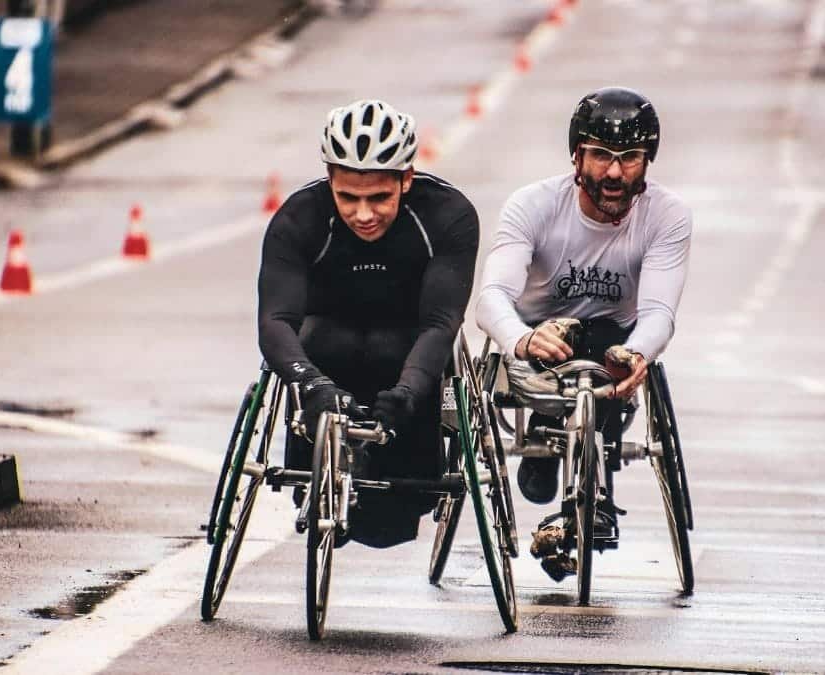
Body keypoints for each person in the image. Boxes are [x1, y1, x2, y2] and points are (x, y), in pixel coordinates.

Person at [475, 86, 692, 579]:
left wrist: (637, 354)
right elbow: (490, 299)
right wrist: (522, 340)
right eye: (600, 156)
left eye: (629, 158)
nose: (614, 173)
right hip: (535, 338)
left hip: (610, 340)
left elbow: (659, 311)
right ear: (577, 155)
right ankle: (546, 441)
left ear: (646, 161)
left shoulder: (668, 216)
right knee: (569, 340)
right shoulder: (533, 205)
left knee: (606, 344)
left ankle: (595, 494)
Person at [257, 99, 480, 548]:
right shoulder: (299, 217)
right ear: (329, 180)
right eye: (348, 197)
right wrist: (310, 384)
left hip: (406, 354)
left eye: (379, 197)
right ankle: (321, 470)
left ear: (407, 179)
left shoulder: (448, 215)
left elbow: (441, 322)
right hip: (327, 348)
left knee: (388, 529)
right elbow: (275, 320)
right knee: (316, 338)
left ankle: (391, 474)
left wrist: (409, 393)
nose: (363, 215)